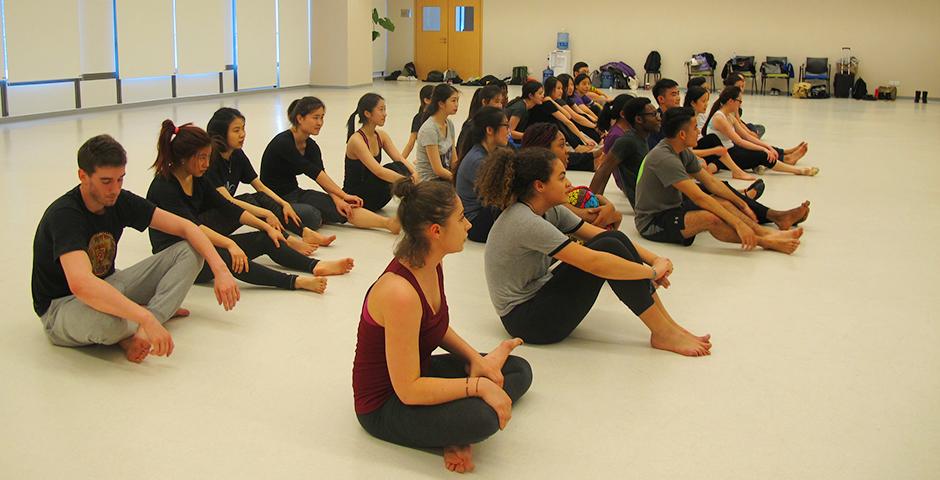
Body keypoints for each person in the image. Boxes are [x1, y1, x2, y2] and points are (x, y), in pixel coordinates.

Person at [353, 179, 532, 473]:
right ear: (435, 231)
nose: (469, 226)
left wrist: (477, 359)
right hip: (386, 405)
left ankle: (452, 427)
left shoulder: (431, 262)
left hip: (417, 374)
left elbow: (434, 326)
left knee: (518, 369)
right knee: (483, 417)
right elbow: (408, 390)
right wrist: (477, 387)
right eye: (461, 218)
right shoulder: (400, 293)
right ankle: (454, 432)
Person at [478, 146, 711, 356]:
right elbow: (594, 263)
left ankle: (666, 326)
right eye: (561, 178)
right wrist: (651, 273)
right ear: (539, 186)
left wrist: (656, 260)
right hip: (528, 322)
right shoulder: (525, 221)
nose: (569, 183)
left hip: (538, 296)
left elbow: (600, 235)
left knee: (612, 237)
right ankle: (663, 331)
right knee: (608, 248)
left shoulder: (549, 210)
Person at [31, 134, 240, 363]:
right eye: (106, 181)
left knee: (189, 251)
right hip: (62, 307)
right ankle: (148, 318)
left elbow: (186, 227)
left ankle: (144, 321)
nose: (114, 189)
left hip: (110, 283)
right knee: (110, 323)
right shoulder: (65, 215)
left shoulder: (118, 199)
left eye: (120, 179)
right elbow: (81, 284)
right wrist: (146, 318)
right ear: (83, 176)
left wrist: (221, 270)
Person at [148, 120, 355, 294]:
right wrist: (230, 244)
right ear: (183, 158)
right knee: (231, 257)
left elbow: (227, 206)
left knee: (265, 237)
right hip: (177, 257)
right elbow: (193, 228)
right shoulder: (164, 187)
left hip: (199, 240)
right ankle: (295, 282)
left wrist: (265, 226)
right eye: (201, 158)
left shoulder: (197, 178)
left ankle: (315, 266)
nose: (206, 163)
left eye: (207, 157)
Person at [634, 108, 808, 253]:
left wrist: (741, 202)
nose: (699, 132)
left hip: (673, 207)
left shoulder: (681, 151)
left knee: (724, 203)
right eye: (695, 128)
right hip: (652, 222)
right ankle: (765, 241)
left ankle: (767, 232)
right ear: (681, 134)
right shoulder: (664, 158)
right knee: (710, 219)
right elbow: (700, 197)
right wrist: (738, 224)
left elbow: (711, 182)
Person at [260, 96, 401, 234]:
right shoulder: (283, 143)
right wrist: (344, 195)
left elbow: (321, 176)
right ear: (300, 118)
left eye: (322, 117)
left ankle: (388, 224)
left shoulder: (311, 146)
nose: (320, 122)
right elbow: (314, 173)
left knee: (345, 208)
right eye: (315, 118)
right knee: (313, 216)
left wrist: (338, 199)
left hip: (295, 193)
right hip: (273, 199)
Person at [205, 107, 334, 256]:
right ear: (221, 133)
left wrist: (284, 204)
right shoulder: (210, 159)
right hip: (205, 222)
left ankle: (304, 231)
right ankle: (288, 239)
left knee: (260, 197)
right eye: (236, 130)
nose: (242, 134)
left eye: (243, 129)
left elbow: (260, 187)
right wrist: (266, 213)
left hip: (225, 211)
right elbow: (227, 201)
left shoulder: (237, 155)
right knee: (249, 199)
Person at [521, 123, 622, 230]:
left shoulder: (540, 181)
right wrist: (612, 211)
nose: (567, 150)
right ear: (544, 150)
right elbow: (587, 217)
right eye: (561, 145)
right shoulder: (542, 191)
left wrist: (609, 207)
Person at [705, 87, 818, 176]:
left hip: (731, 149)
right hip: (725, 154)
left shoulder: (729, 115)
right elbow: (739, 141)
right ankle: (798, 170)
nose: (741, 104)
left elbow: (747, 137)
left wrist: (768, 147)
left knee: (762, 149)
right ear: (731, 101)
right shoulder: (719, 118)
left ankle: (782, 157)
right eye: (739, 101)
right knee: (763, 155)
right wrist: (764, 149)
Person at [344, 93, 418, 211]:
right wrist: (406, 180)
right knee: (392, 168)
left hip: (374, 194)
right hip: (358, 197)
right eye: (381, 110)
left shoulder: (381, 135)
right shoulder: (356, 140)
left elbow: (400, 158)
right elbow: (379, 172)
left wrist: (414, 173)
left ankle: (414, 201)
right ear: (367, 113)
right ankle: (416, 202)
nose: (385, 114)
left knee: (400, 166)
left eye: (385, 109)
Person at [453, 106, 508, 242]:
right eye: (505, 126)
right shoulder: (478, 160)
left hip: (485, 214)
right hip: (477, 224)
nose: (509, 131)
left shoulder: (492, 152)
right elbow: (505, 194)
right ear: (489, 130)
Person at [682, 86, 751, 179]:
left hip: (703, 147)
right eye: (703, 101)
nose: (706, 104)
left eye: (707, 101)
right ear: (693, 103)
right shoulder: (686, 121)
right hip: (695, 151)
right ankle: (736, 171)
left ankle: (728, 168)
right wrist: (714, 150)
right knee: (713, 140)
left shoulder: (701, 116)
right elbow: (686, 152)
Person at [532, 76, 599, 153]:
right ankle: (577, 146)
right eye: (558, 88)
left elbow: (568, 116)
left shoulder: (553, 101)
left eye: (561, 88)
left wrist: (553, 102)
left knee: (566, 120)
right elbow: (569, 120)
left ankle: (579, 145)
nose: (561, 91)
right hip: (538, 133)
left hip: (543, 130)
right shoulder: (546, 103)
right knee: (560, 122)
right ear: (551, 89)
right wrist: (585, 138)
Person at [415, 84, 460, 182]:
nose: (456, 104)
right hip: (429, 182)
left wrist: (458, 173)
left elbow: (454, 159)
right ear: (441, 104)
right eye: (453, 100)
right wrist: (457, 180)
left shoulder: (449, 124)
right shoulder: (429, 129)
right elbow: (438, 170)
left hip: (443, 178)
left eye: (457, 100)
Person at [455, 85, 503, 163]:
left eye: (501, 102)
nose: (500, 106)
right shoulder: (471, 126)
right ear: (484, 102)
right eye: (496, 101)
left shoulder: (491, 124)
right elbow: (461, 153)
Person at [723, 73, 765, 138]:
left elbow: (738, 121)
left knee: (756, 127)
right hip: (732, 129)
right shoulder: (730, 100)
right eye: (739, 86)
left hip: (736, 125)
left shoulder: (737, 97)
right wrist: (749, 133)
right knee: (754, 129)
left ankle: (754, 133)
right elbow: (736, 122)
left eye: (742, 86)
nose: (741, 89)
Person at [401, 84, 435, 160]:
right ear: (426, 100)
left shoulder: (438, 116)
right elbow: (411, 143)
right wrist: (400, 161)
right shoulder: (418, 118)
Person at [646, 78, 682, 149]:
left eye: (678, 93)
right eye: (674, 95)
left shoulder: (678, 117)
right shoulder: (655, 122)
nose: (678, 98)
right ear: (661, 99)